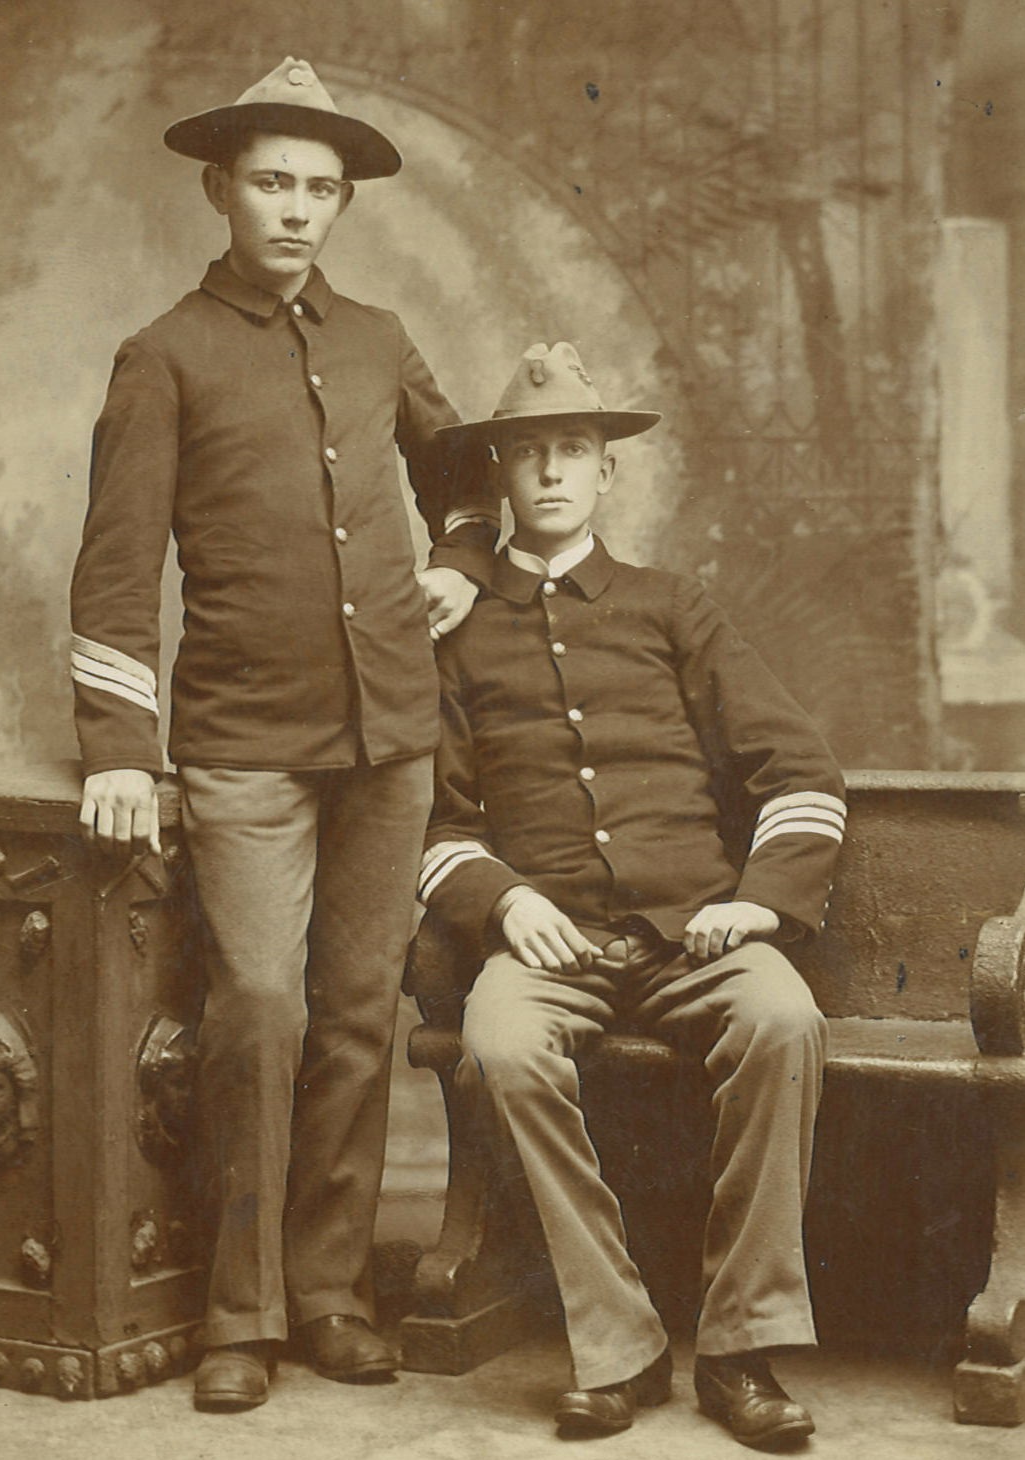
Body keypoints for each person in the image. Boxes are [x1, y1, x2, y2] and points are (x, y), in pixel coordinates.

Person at [69, 55, 497, 1411]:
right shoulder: (165, 355)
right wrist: (120, 750)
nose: (299, 209)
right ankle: (238, 1314)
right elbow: (115, 569)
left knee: (361, 1014)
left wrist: (466, 559)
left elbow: (464, 474)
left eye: (321, 188)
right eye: (272, 182)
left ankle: (328, 1293)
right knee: (260, 1008)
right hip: (244, 738)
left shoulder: (376, 338)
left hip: (389, 738)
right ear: (219, 189)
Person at [417, 342, 846, 1449]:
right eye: (529, 454)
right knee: (499, 1042)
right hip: (547, 943)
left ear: (608, 473)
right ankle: (617, 1343)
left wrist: (755, 904)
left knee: (782, 1016)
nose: (552, 472)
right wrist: (505, 903)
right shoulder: (454, 637)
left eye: (574, 451)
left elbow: (797, 772)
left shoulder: (672, 607)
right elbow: (438, 823)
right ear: (499, 478)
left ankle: (740, 1346)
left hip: (694, 930)